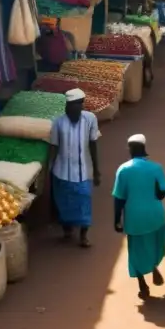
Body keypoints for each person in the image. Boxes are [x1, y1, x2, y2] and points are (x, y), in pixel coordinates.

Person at [113, 134, 165, 299]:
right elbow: (162, 192)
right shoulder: (156, 168)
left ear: (130, 149)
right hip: (155, 214)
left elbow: (119, 198)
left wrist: (117, 219)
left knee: (135, 251)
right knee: (157, 242)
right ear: (145, 149)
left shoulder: (123, 169)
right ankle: (154, 264)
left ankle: (143, 286)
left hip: (134, 217)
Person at [49, 89, 102, 248]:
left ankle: (83, 235)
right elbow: (53, 146)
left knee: (84, 200)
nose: (70, 109)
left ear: (80, 105)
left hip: (83, 172)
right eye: (68, 106)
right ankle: (67, 230)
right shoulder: (58, 122)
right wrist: (50, 169)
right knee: (64, 202)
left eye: (74, 105)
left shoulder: (90, 119)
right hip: (62, 171)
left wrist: (97, 170)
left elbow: (93, 144)